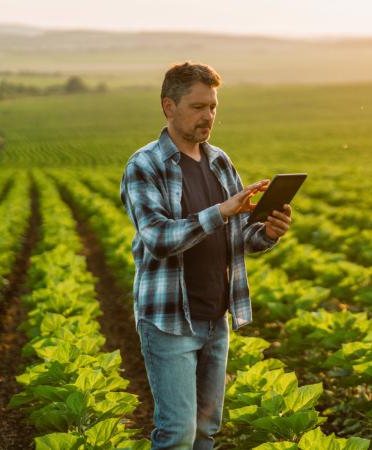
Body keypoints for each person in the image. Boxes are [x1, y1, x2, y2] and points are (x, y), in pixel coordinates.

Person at [119, 61, 292, 449]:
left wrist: (266, 233)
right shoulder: (144, 166)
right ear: (169, 106)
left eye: (212, 106)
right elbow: (159, 238)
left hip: (216, 317)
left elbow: (235, 235)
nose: (208, 116)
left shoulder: (219, 161)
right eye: (198, 107)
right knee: (177, 433)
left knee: (205, 433)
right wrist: (222, 211)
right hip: (169, 321)